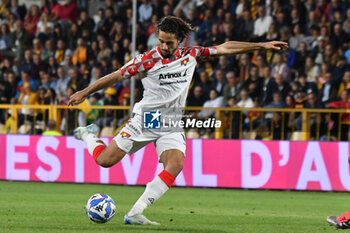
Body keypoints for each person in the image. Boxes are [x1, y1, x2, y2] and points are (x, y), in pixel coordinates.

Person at [67, 16, 288, 225]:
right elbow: (117, 75)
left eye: (169, 43)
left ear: (180, 40)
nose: (164, 46)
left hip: (171, 121)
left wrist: (262, 45)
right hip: (147, 119)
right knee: (105, 161)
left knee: (175, 164)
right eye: (161, 41)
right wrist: (85, 92)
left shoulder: (191, 54)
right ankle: (87, 134)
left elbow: (224, 47)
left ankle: (135, 213)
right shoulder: (147, 59)